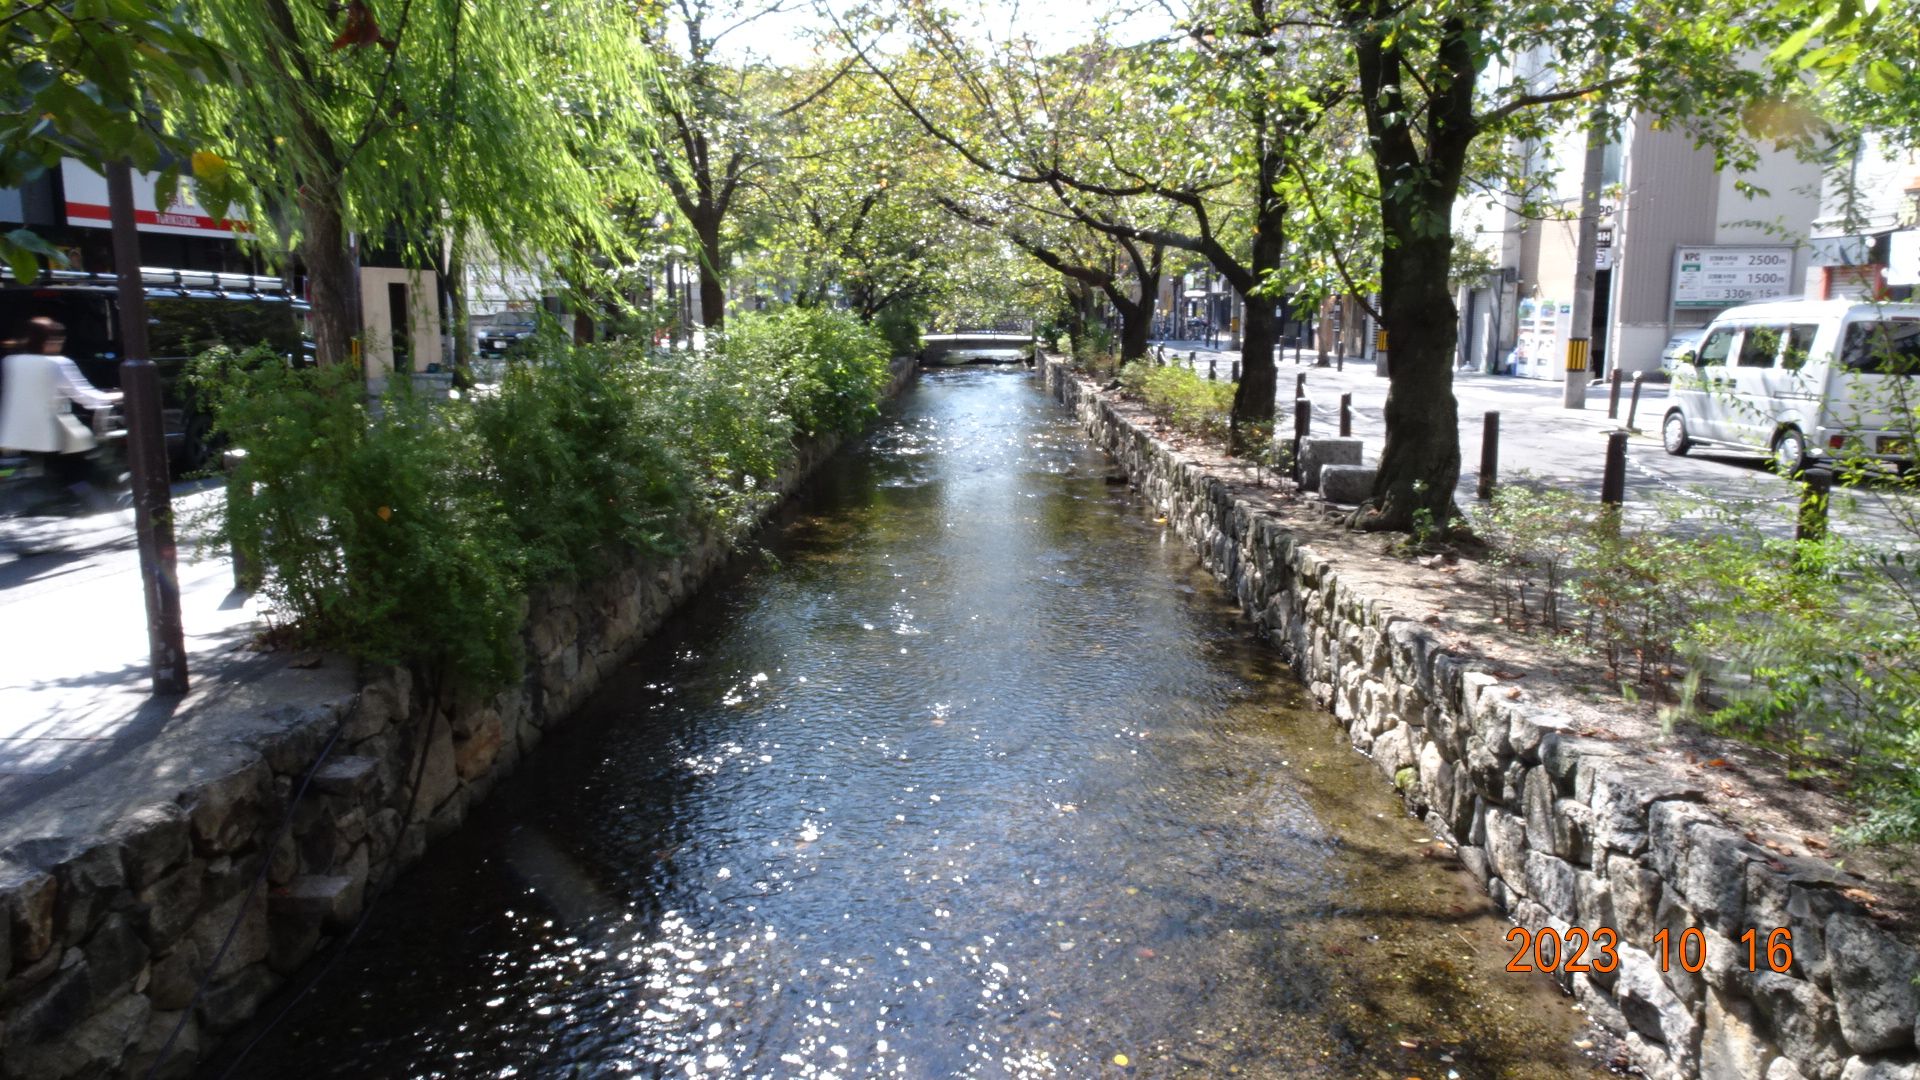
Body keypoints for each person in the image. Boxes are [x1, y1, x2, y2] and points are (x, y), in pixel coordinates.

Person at [0, 316, 122, 508]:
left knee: (53, 467)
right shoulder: (57, 363)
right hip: (52, 435)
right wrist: (117, 396)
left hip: (18, 433)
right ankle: (88, 501)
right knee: (83, 465)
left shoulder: (11, 361)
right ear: (50, 341)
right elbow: (85, 397)